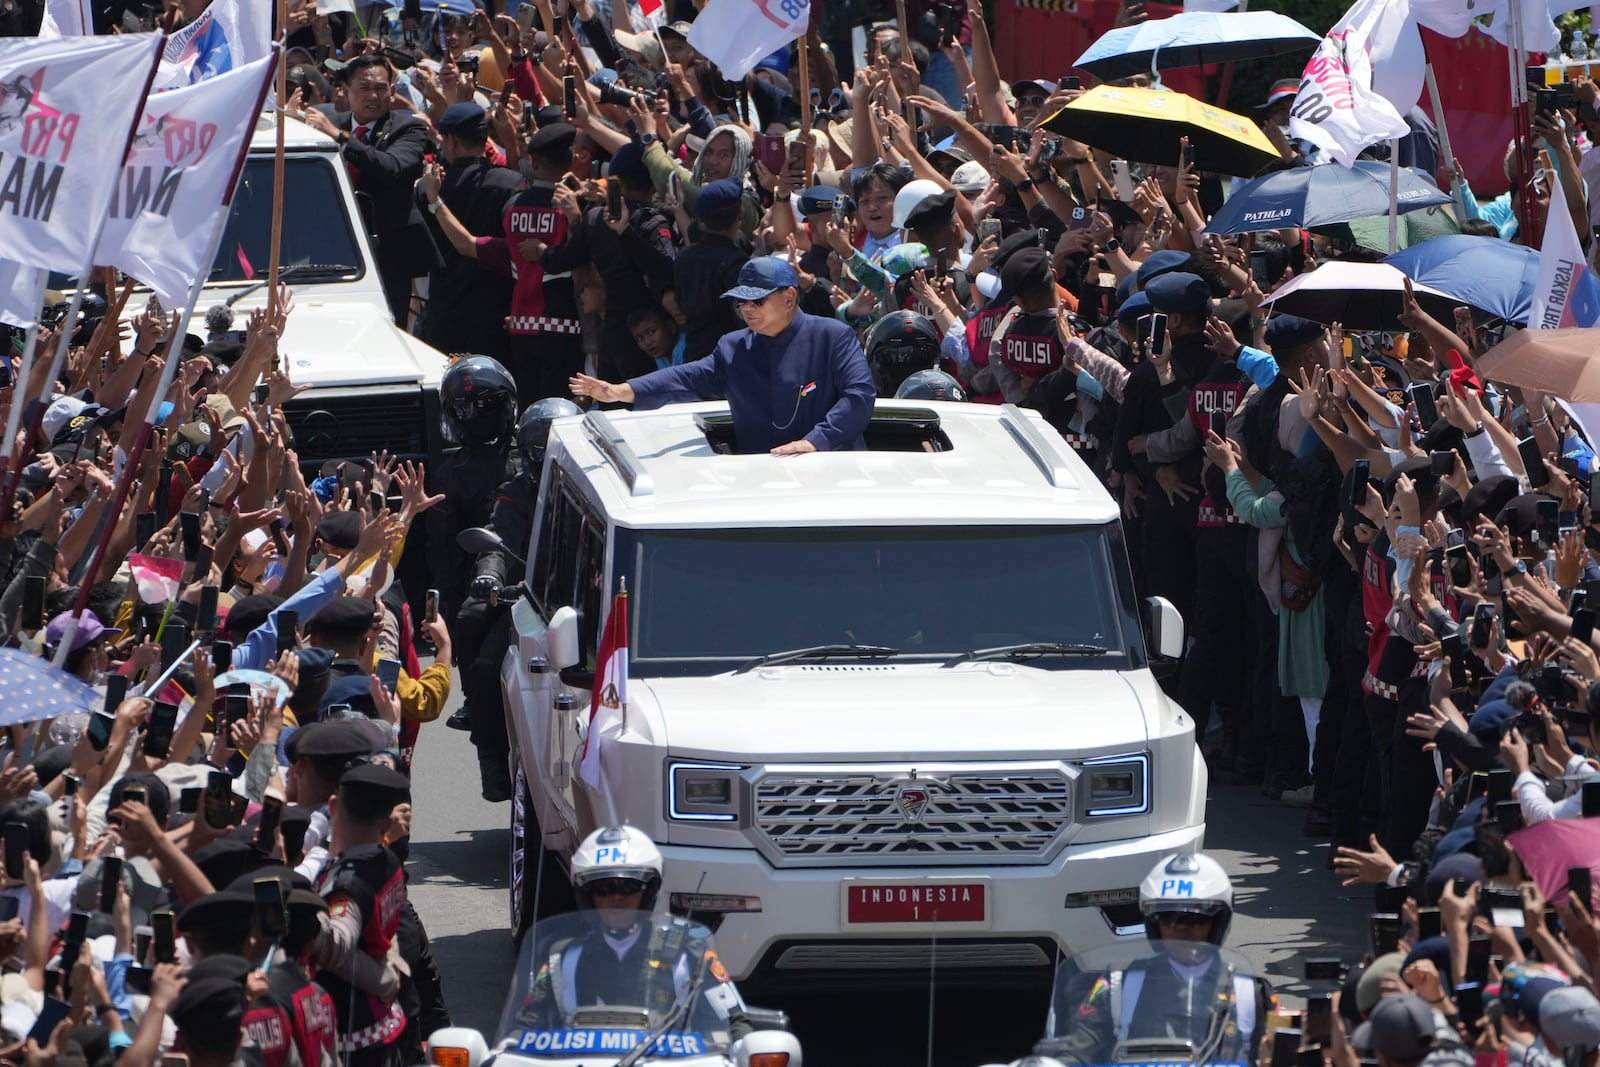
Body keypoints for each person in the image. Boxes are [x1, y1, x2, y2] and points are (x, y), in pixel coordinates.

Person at [568, 257, 875, 455]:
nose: (747, 310)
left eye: (757, 301)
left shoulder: (833, 336)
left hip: (832, 475)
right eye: (742, 302)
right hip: (759, 482)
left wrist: (816, 441)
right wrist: (622, 391)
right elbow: (685, 377)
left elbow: (859, 396)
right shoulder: (733, 348)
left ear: (790, 297)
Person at [461, 398, 582, 804]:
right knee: (484, 663)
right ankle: (491, 759)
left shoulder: (604, 489)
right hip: (535, 600)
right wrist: (490, 575)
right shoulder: (515, 493)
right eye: (545, 452)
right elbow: (500, 537)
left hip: (590, 601)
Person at [513, 826, 749, 1033]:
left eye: (628, 887)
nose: (616, 898)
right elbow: (525, 1027)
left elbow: (735, 1023)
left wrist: (748, 1048)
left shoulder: (690, 955)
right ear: (587, 896)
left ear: (648, 892)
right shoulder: (562, 958)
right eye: (605, 888)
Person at [1046, 853, 1273, 1066]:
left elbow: (1278, 1052)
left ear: (1218, 923)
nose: (1183, 930)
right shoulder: (1117, 986)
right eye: (1170, 919)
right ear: (1154, 923)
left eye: (1196, 919)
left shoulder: (1250, 994)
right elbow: (1078, 1047)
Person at [424, 122, 587, 406]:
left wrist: (434, 200)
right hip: (565, 328)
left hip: (521, 329)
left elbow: (467, 244)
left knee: (526, 413)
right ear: (572, 159)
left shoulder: (512, 208)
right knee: (560, 413)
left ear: (533, 162)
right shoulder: (578, 209)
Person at [300, 54, 437, 325]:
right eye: (364, 88)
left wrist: (342, 139)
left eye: (380, 88)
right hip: (332, 249)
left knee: (385, 326)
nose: (373, 95)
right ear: (346, 91)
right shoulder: (328, 121)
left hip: (387, 251)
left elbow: (394, 167)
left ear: (392, 91)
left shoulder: (408, 128)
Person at [310, 764, 413, 1067]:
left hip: (353, 1028)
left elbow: (336, 947)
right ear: (387, 825)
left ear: (332, 807)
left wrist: (301, 916)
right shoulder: (387, 858)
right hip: (383, 1021)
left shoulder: (347, 887)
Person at [415, 102, 520, 360]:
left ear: (451, 142)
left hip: (445, 317)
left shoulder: (428, 190)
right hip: (496, 318)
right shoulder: (510, 184)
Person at [672, 177, 752, 360]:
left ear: (700, 219)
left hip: (694, 359)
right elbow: (744, 321)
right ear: (740, 215)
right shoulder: (735, 264)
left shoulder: (683, 259)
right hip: (727, 363)